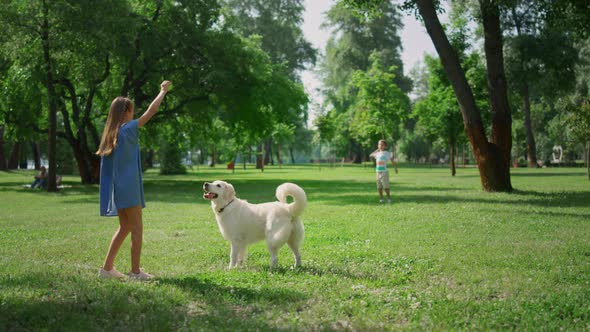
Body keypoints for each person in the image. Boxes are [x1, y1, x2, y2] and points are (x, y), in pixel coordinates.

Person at [96, 80, 172, 280]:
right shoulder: (128, 129)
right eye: (131, 110)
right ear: (125, 112)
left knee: (125, 227)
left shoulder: (110, 135)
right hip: (129, 188)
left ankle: (107, 268)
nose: (133, 113)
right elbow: (151, 111)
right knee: (137, 228)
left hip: (119, 189)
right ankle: (135, 272)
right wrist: (162, 91)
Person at [369, 139, 398, 204]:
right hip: (378, 172)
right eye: (379, 144)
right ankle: (381, 199)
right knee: (379, 187)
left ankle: (389, 198)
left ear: (385, 146)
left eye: (382, 144)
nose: (380, 146)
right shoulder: (377, 154)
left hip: (384, 172)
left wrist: (395, 168)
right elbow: (370, 155)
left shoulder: (387, 153)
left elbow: (393, 161)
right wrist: (377, 150)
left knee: (386, 187)